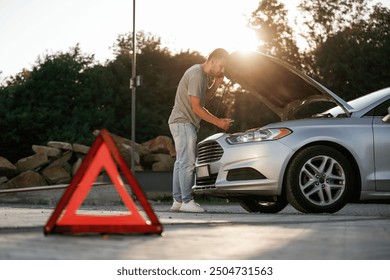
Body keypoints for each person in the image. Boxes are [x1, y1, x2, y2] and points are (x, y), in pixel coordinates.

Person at [168, 48, 232, 212]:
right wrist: (218, 122)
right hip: (183, 122)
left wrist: (216, 84)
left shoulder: (201, 75)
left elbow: (203, 98)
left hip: (181, 122)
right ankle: (187, 201)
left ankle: (178, 201)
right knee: (187, 162)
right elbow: (196, 108)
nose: (222, 71)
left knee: (180, 162)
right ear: (213, 60)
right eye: (222, 66)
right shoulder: (197, 74)